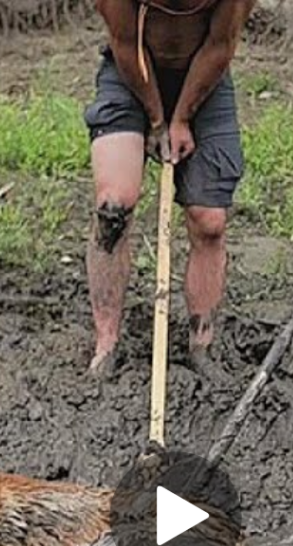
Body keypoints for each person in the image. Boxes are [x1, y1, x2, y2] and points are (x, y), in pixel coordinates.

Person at [84, 0, 254, 378]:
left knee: (209, 221)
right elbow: (126, 44)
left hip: (205, 74)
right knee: (114, 207)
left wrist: (182, 118)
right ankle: (106, 344)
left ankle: (201, 346)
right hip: (130, 72)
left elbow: (220, 46)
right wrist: (158, 121)